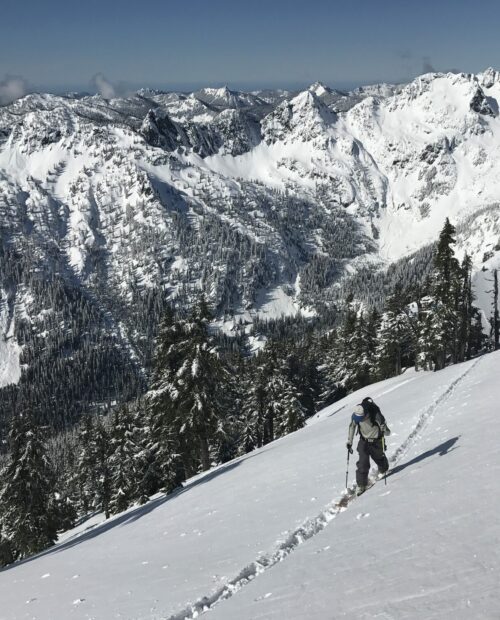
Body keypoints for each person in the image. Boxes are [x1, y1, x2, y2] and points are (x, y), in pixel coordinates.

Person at [346, 397, 391, 495]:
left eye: (360, 418)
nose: (359, 420)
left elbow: (385, 429)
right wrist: (349, 441)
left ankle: (383, 467)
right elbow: (352, 426)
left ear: (365, 413)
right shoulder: (356, 415)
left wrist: (385, 431)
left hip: (376, 441)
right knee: (363, 463)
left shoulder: (375, 414)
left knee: (379, 458)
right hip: (363, 441)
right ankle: (361, 485)